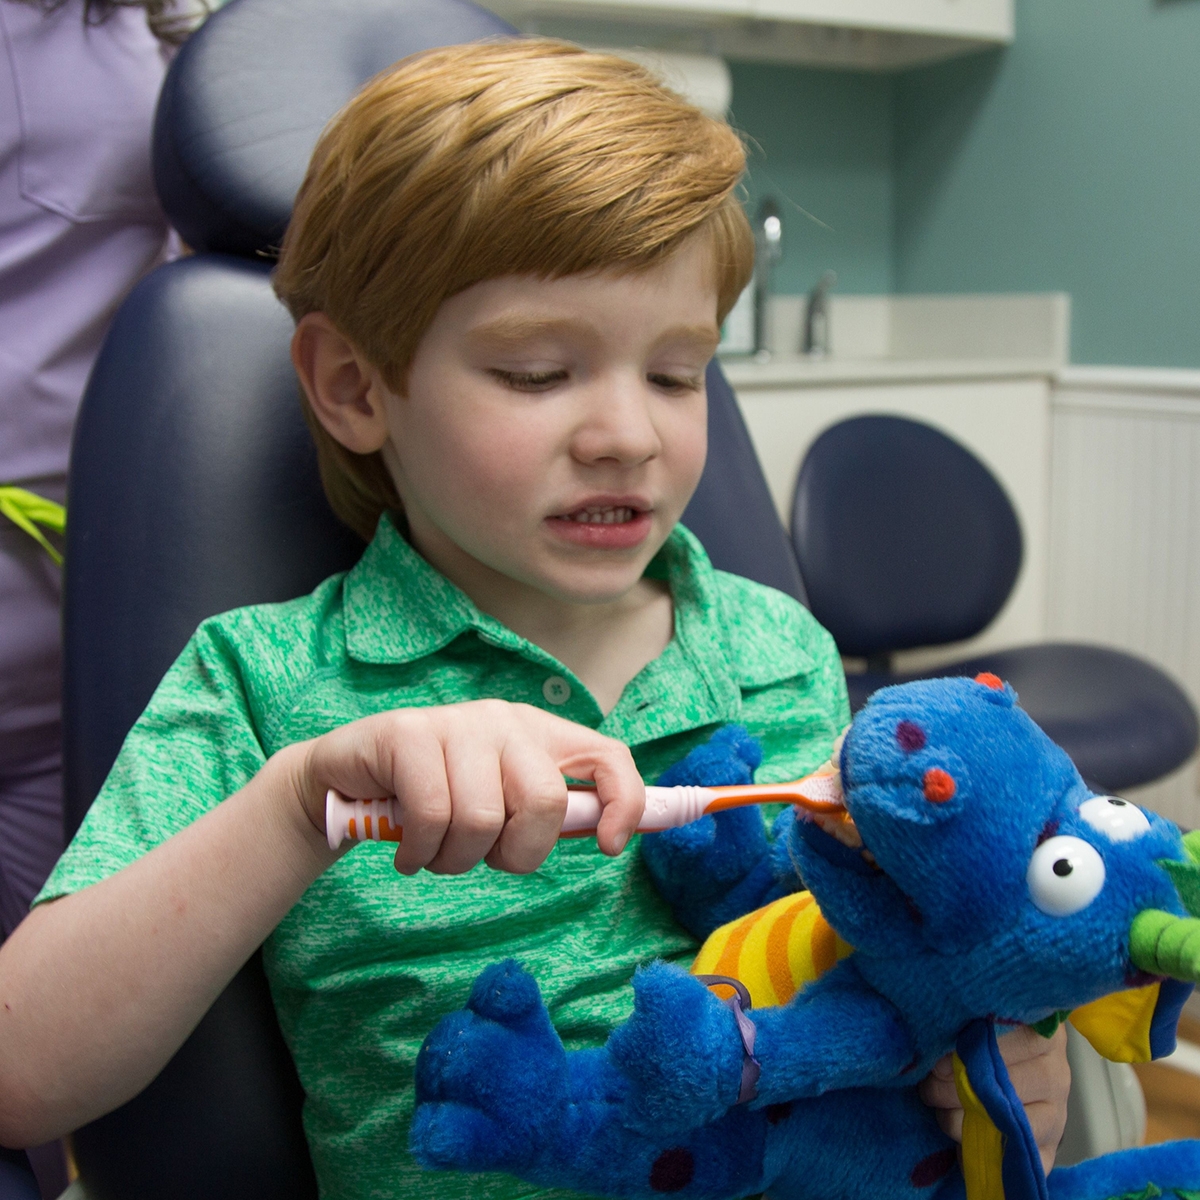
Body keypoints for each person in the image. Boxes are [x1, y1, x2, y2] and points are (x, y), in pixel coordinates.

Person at [0, 39, 1069, 1200]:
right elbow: (23, 1076)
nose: (630, 434)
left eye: (675, 375)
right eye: (537, 373)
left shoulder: (776, 649)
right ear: (358, 389)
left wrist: (1003, 1077)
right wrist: (302, 803)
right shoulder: (261, 686)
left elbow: (894, 975)